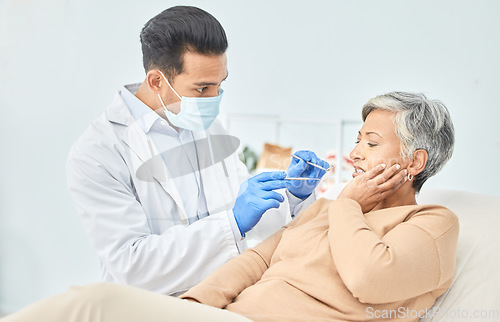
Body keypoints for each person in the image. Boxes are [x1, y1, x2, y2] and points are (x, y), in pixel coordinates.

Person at [2, 91, 458, 322]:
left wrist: (346, 206)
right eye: (357, 139)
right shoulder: (325, 212)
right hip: (224, 317)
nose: (356, 153)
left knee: (95, 303)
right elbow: (256, 260)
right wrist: (194, 307)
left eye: (371, 143)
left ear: (414, 161)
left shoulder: (431, 224)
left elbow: (368, 277)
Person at [65, 5, 328, 296]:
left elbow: (247, 223)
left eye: (220, 84)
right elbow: (133, 265)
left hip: (221, 295)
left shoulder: (209, 127)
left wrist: (293, 197)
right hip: (147, 308)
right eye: (202, 89)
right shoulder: (98, 153)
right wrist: (232, 222)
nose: (215, 99)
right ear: (156, 81)